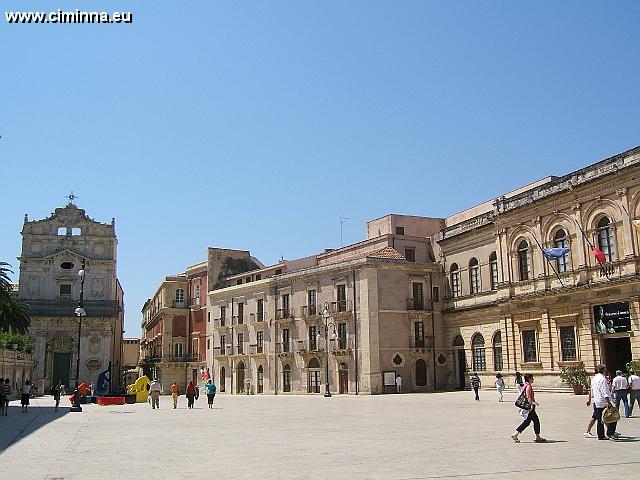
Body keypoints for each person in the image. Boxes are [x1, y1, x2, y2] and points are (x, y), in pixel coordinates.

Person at [511, 373, 545, 443]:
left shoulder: (525, 385)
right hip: (529, 407)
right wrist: (531, 405)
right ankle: (515, 434)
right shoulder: (528, 386)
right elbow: (528, 396)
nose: (533, 379)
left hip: (529, 407)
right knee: (530, 422)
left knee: (531, 421)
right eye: (532, 378)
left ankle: (537, 436)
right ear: (529, 379)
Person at [590, 364, 618, 440]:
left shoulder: (594, 378)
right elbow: (604, 392)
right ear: (603, 370)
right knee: (613, 417)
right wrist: (609, 403)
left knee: (600, 419)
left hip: (597, 401)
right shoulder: (602, 379)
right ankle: (610, 433)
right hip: (603, 401)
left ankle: (600, 435)